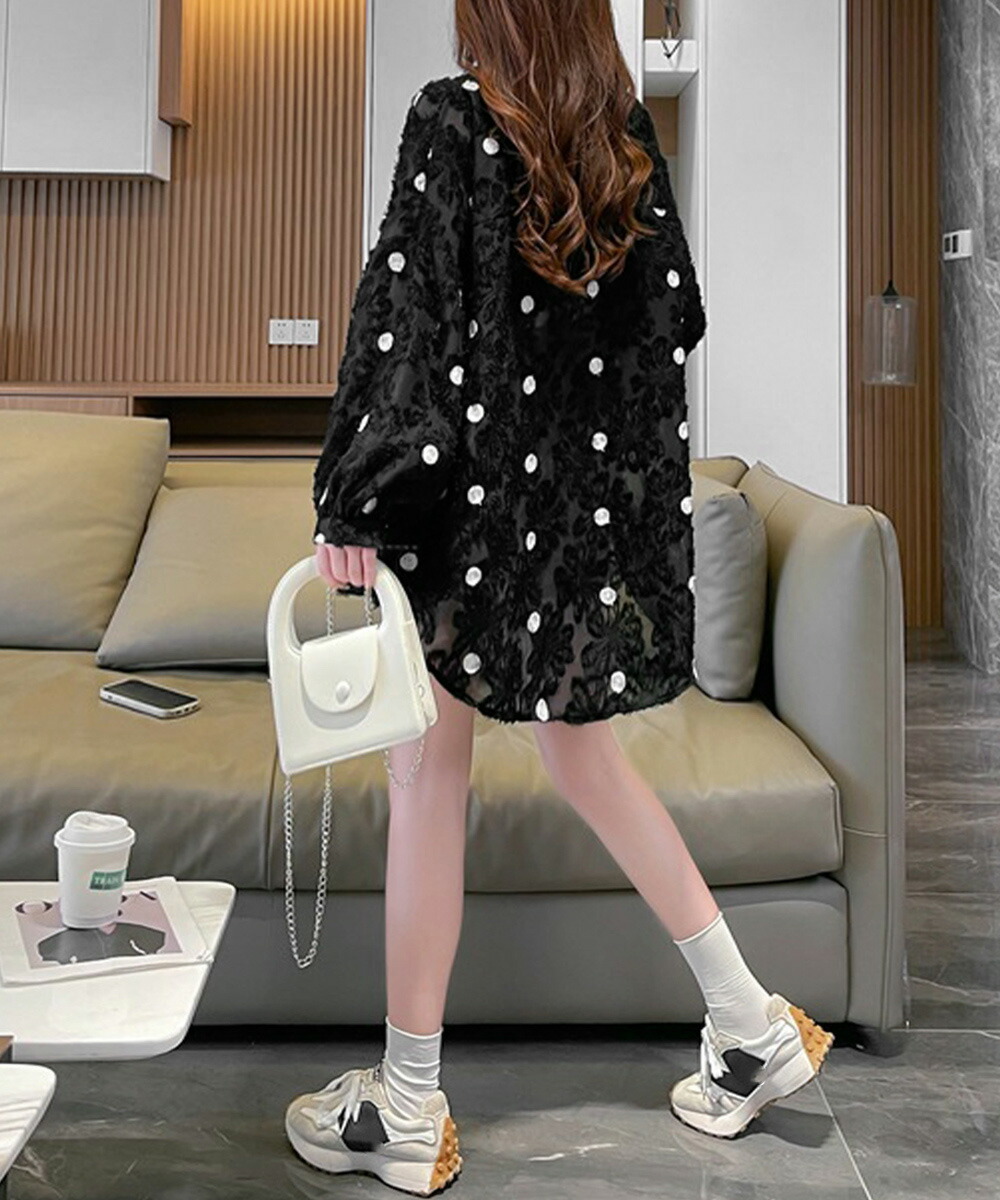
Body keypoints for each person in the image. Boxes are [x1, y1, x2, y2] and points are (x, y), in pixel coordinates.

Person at [284, 1, 833, 1192]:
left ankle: (409, 1101)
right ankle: (747, 1023)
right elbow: (675, 318)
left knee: (426, 775)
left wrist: (357, 500)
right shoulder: (621, 135)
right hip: (575, 525)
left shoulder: (452, 120)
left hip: (467, 516)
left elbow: (407, 323)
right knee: (582, 759)